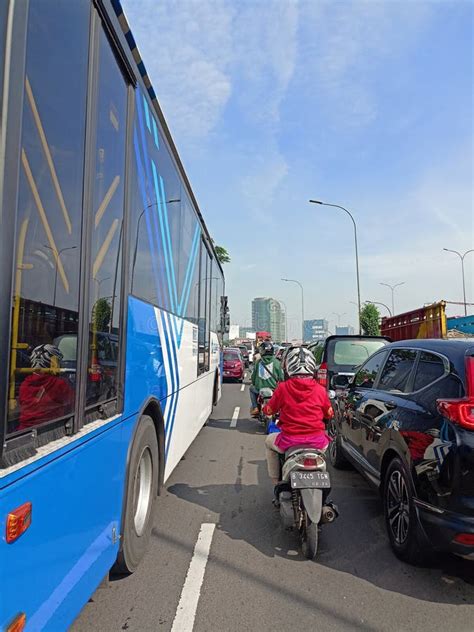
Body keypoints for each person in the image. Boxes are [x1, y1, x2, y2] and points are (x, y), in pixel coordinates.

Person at [263, 346, 333, 485]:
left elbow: (269, 410)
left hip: (289, 440)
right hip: (317, 441)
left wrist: (266, 409)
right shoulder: (320, 390)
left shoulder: (283, 388)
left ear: (289, 366)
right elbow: (329, 414)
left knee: (268, 442)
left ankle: (276, 482)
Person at [18, 344, 74, 430]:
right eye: (58, 362)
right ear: (52, 362)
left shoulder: (25, 384)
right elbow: (72, 406)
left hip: (23, 430)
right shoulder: (59, 384)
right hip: (49, 430)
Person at [249, 340, 283, 417]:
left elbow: (253, 377)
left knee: (251, 389)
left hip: (259, 388)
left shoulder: (258, 362)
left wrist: (254, 382)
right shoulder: (277, 363)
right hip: (273, 389)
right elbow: (281, 377)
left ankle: (255, 408)